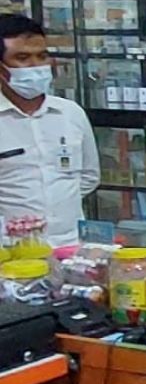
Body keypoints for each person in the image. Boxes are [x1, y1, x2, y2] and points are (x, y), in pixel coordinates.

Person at [0, 14, 99, 247]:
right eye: (22, 58)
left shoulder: (70, 113)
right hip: (10, 255)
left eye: (42, 56)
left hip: (71, 248)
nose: (36, 66)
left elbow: (89, 176)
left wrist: (59, 206)